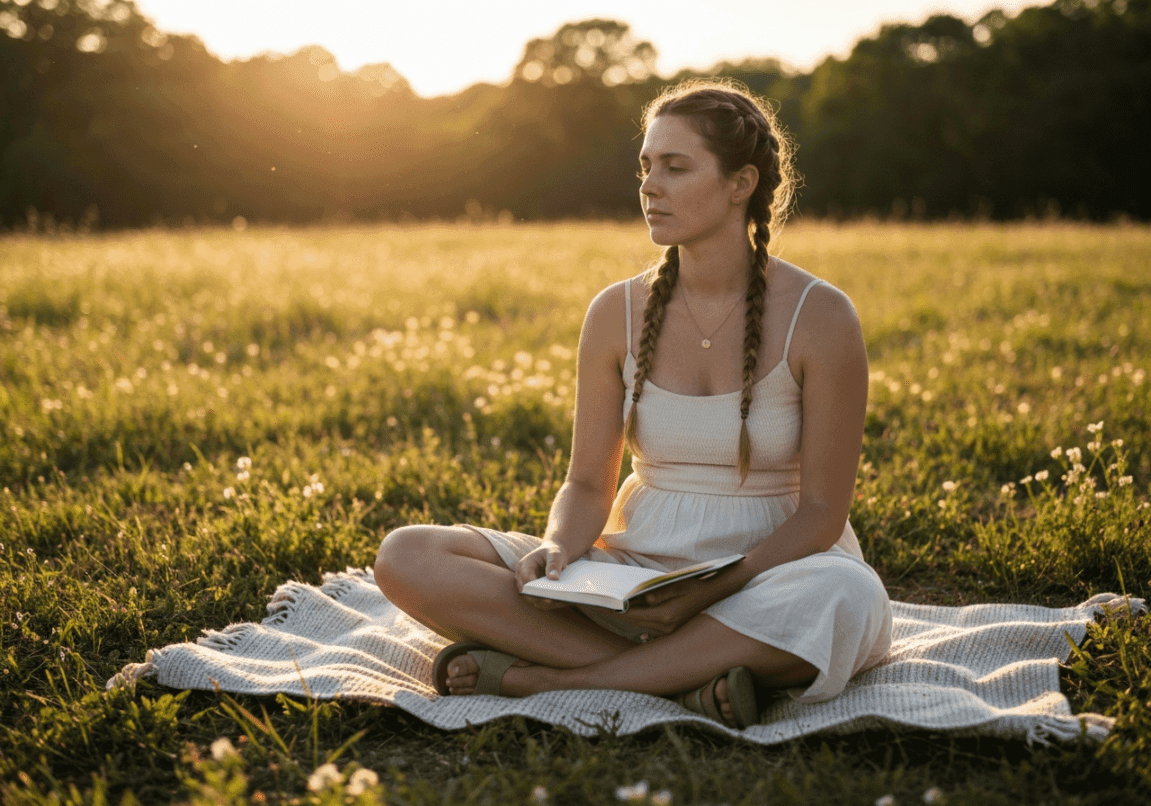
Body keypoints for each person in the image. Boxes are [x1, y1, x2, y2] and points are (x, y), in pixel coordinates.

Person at [374, 79, 892, 729]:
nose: (649, 186)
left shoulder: (821, 315)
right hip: (634, 572)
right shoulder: (614, 311)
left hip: (769, 575)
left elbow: (820, 512)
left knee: (844, 595)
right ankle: (687, 680)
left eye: (675, 167)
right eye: (646, 166)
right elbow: (587, 481)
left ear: (740, 184)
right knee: (408, 555)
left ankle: (554, 680)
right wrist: (561, 548)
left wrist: (715, 588)